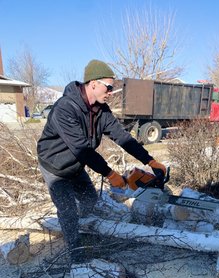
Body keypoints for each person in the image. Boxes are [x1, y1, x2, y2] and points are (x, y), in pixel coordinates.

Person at [37, 59, 166, 262]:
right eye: (108, 87)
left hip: (77, 165)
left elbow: (122, 137)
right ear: (93, 83)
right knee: (67, 209)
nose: (110, 92)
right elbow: (82, 149)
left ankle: (87, 227)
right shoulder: (65, 109)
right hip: (55, 166)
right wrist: (110, 174)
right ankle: (76, 254)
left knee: (90, 199)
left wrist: (149, 160)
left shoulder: (101, 110)